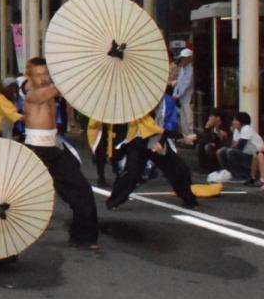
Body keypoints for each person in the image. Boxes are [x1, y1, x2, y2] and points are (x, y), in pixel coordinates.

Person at [20, 58, 99, 249]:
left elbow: (70, 92)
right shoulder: (33, 95)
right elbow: (58, 89)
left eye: (46, 73)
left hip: (54, 147)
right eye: (38, 75)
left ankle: (83, 237)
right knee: (15, 197)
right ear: (29, 77)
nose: (44, 78)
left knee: (82, 190)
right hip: (35, 150)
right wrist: (84, 68)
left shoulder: (50, 91)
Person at [102, 112, 199, 210]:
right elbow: (150, 126)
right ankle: (114, 201)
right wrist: (178, 135)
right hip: (138, 141)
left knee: (179, 169)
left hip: (155, 139)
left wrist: (161, 141)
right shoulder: (135, 104)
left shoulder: (162, 101)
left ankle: (189, 199)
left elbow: (165, 123)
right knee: (132, 173)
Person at [217, 112, 263, 182]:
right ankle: (229, 173)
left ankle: (240, 175)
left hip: (253, 156)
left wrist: (235, 144)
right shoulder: (237, 130)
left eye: (235, 120)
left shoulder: (247, 128)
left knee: (231, 152)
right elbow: (232, 145)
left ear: (241, 121)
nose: (233, 122)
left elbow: (240, 146)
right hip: (244, 154)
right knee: (222, 151)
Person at [174, 48, 195, 139]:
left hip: (188, 97)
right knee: (183, 119)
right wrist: (175, 94)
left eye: (185, 58)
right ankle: (185, 138)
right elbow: (179, 83)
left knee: (189, 119)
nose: (183, 59)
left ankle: (190, 139)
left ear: (190, 58)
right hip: (182, 98)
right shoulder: (182, 69)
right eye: (183, 58)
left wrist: (177, 95)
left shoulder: (190, 70)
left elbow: (186, 84)